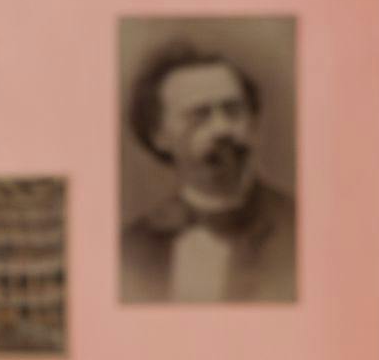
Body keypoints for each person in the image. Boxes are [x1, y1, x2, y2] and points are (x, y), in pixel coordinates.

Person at [119, 40, 298, 304]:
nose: (223, 129)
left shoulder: (300, 228)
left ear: (253, 121)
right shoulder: (129, 251)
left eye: (233, 111)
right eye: (199, 116)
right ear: (159, 136)